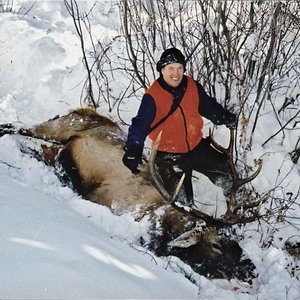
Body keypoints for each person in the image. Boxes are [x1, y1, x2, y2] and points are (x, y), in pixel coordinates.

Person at [122, 48, 237, 206]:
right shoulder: (153, 96)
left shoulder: (192, 86)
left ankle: (237, 206)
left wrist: (225, 117)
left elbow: (208, 107)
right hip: (169, 156)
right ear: (162, 70)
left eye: (179, 68)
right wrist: (133, 148)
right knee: (183, 204)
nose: (176, 74)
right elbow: (140, 124)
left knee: (226, 175)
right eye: (170, 69)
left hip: (196, 146)